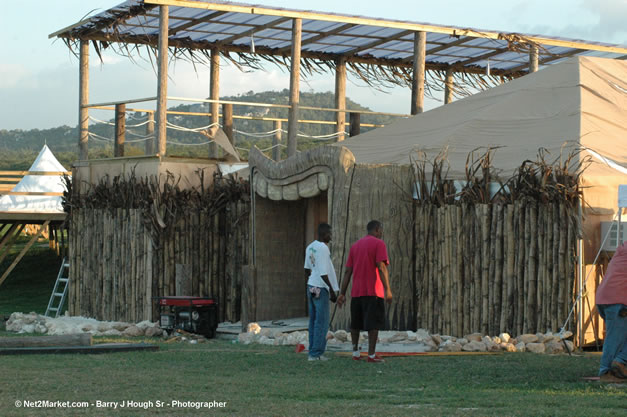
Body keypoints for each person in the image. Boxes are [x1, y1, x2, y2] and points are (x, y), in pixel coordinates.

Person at [337, 220, 393, 363]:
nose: (381, 233)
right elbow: (381, 267)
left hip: (356, 292)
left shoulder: (355, 246)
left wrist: (342, 294)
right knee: (373, 324)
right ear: (376, 229)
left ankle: (355, 353)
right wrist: (387, 290)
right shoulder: (379, 244)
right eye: (380, 230)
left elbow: (348, 272)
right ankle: (371, 355)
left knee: (355, 324)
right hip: (373, 292)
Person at [304, 223, 339, 361]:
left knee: (313, 320)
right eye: (329, 233)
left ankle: (312, 350)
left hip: (311, 286)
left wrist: (312, 279)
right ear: (325, 234)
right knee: (322, 321)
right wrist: (331, 291)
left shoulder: (310, 247)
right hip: (321, 287)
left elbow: (307, 269)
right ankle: (316, 353)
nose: (331, 236)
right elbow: (324, 274)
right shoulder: (323, 248)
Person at [596, 241, 627, 383]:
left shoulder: (623, 247)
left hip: (604, 298)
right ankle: (606, 372)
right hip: (619, 300)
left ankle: (620, 364)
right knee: (614, 338)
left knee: (616, 336)